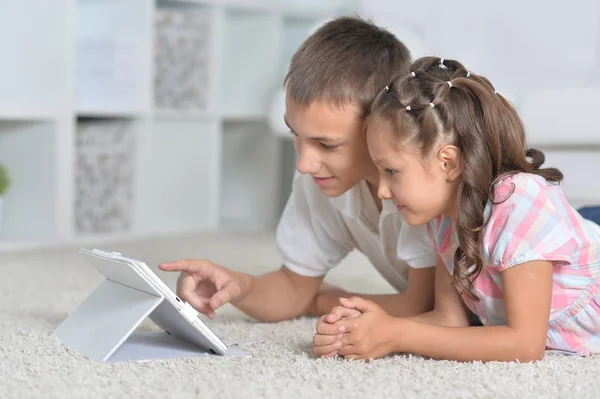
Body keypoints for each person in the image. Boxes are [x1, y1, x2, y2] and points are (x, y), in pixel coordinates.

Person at [158, 16, 438, 332]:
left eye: (327, 145)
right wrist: (238, 285)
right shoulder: (321, 181)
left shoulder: (424, 186)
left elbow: (423, 307)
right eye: (297, 135)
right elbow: (293, 290)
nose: (303, 164)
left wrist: (321, 302)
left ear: (381, 129)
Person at [313, 56, 600, 362]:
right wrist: (365, 330)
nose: (382, 192)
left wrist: (397, 334)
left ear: (448, 162)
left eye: (392, 172)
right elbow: (449, 320)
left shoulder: (518, 201)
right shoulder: (442, 220)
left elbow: (525, 345)